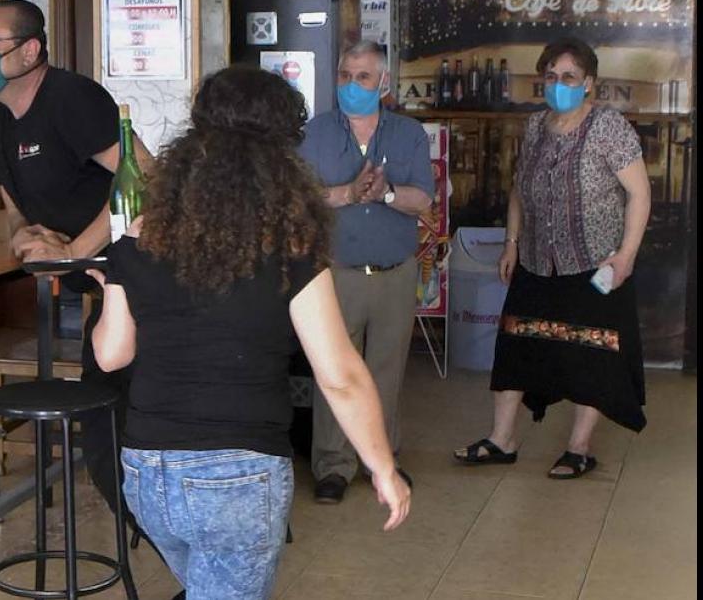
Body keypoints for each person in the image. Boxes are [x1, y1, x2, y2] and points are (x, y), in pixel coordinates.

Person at [90, 66, 410, 599]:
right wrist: (382, 467)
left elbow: (111, 355)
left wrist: (114, 283)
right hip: (237, 475)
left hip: (147, 470)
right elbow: (340, 376)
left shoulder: (140, 238)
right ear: (282, 157)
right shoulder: (289, 249)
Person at [0, 0, 150, 520]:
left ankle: (159, 531)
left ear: (30, 51)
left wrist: (73, 249)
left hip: (134, 284)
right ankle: (144, 522)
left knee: (121, 418)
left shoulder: (71, 98)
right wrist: (23, 237)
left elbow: (146, 178)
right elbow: (12, 201)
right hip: (86, 288)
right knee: (104, 417)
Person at [455, 37, 650, 478]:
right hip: (539, 260)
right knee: (515, 345)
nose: (558, 85)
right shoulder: (537, 125)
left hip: (595, 262)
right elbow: (520, 190)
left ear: (588, 84)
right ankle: (502, 439)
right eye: (551, 77)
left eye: (569, 78)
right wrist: (512, 242)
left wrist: (626, 255)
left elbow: (639, 193)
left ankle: (579, 447)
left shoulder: (607, 126)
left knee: (591, 352)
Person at [298, 40, 434, 504]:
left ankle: (382, 461)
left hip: (395, 272)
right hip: (335, 271)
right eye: (344, 75)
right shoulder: (313, 134)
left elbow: (424, 200)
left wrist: (387, 194)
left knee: (385, 371)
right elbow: (298, 199)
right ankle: (332, 466)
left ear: (384, 83)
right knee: (335, 369)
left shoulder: (409, 134)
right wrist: (347, 194)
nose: (352, 85)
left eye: (362, 77)